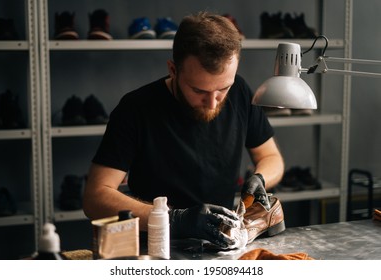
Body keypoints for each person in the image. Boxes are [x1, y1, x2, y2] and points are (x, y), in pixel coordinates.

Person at [83, 12, 284, 249]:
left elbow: (271, 157)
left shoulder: (239, 91)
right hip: (158, 246)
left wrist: (260, 178)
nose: (212, 103)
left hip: (220, 244)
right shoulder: (136, 108)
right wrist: (176, 219)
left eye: (222, 89)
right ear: (173, 70)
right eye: (199, 91)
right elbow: (95, 197)